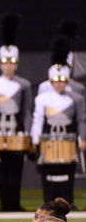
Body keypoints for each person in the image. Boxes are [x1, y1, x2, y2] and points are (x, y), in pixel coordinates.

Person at [31, 36, 86, 205]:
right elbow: (38, 118)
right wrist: (35, 139)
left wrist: (83, 138)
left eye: (62, 81)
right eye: (56, 81)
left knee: (67, 169)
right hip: (48, 138)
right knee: (48, 169)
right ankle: (49, 202)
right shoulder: (42, 98)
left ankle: (66, 201)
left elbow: (82, 119)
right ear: (51, 81)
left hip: (68, 137)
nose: (59, 84)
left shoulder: (76, 97)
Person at [0, 13, 32, 211]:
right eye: (5, 62)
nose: (8, 65)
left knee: (16, 166)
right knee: (1, 167)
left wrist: (28, 132)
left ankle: (15, 203)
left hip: (17, 128)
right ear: (0, 63)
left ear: (17, 63)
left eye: (12, 61)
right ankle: (4, 203)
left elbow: (26, 110)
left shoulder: (23, 84)